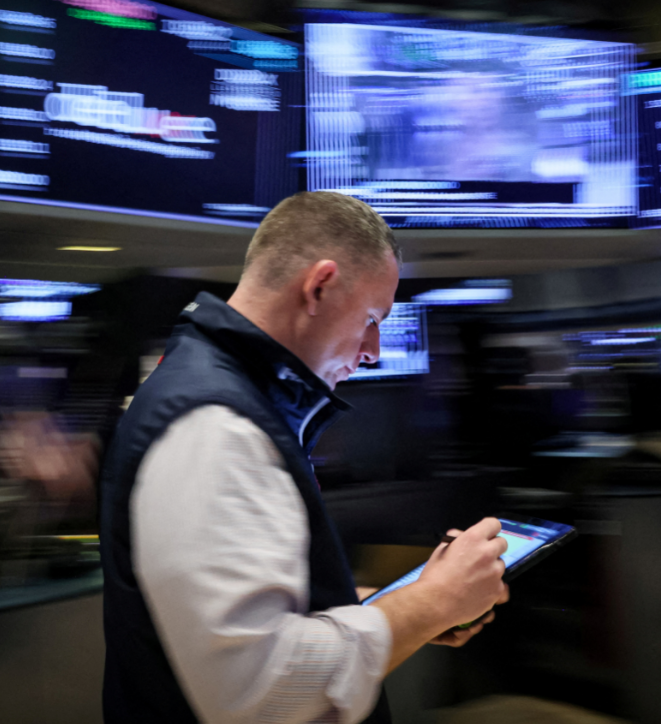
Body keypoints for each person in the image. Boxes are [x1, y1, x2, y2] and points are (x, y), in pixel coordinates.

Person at [99, 191, 510, 724]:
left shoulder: (221, 393)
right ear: (318, 287)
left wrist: (419, 600)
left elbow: (267, 613)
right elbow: (256, 690)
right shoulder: (216, 427)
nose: (374, 350)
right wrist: (427, 605)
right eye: (370, 318)